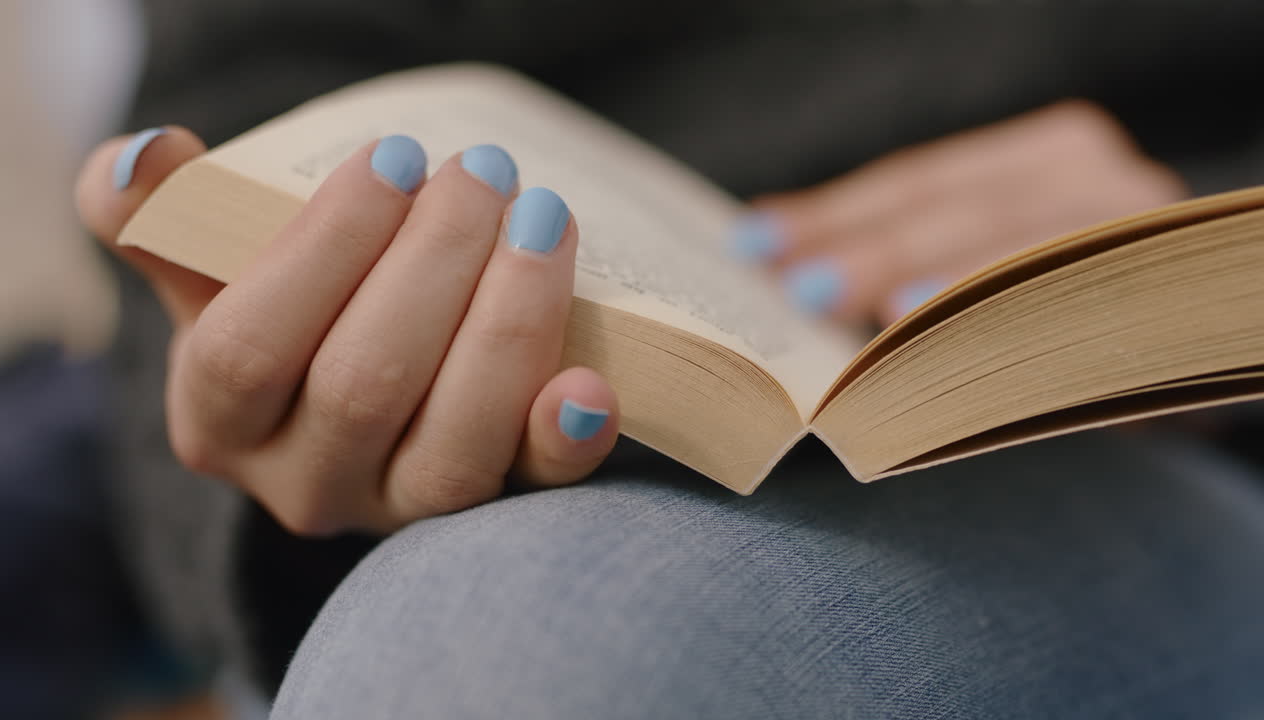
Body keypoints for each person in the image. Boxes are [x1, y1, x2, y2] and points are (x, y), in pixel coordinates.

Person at [76, 1, 1264, 716]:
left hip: (1158, 457)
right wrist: (282, 407)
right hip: (505, 496)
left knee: (536, 644)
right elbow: (242, 91)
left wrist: (1193, 253)